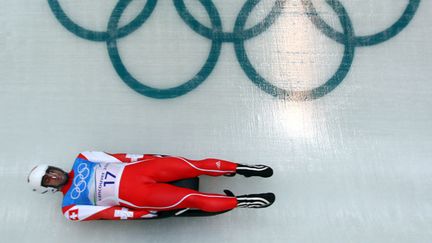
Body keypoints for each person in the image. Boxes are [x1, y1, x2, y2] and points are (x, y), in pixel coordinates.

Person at [27, 151, 275, 221]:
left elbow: (123, 158)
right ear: (48, 188)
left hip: (143, 169)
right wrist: (138, 215)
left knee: (194, 165)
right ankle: (245, 201)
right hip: (139, 195)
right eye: (47, 179)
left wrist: (152, 158)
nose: (53, 176)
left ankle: (243, 168)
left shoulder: (83, 158)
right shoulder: (70, 207)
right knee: (190, 198)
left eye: (50, 171)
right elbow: (107, 213)